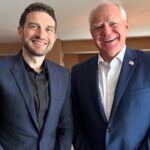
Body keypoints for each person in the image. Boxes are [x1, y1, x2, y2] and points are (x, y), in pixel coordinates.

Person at [71, 1, 150, 150]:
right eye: (99, 27)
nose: (106, 32)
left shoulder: (147, 63)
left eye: (113, 23)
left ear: (126, 26)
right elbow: (76, 123)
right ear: (91, 33)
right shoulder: (78, 73)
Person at [0, 2, 73, 150]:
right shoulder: (2, 70)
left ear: (54, 37)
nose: (41, 34)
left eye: (49, 29)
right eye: (34, 26)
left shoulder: (63, 75)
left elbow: (66, 126)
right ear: (20, 31)